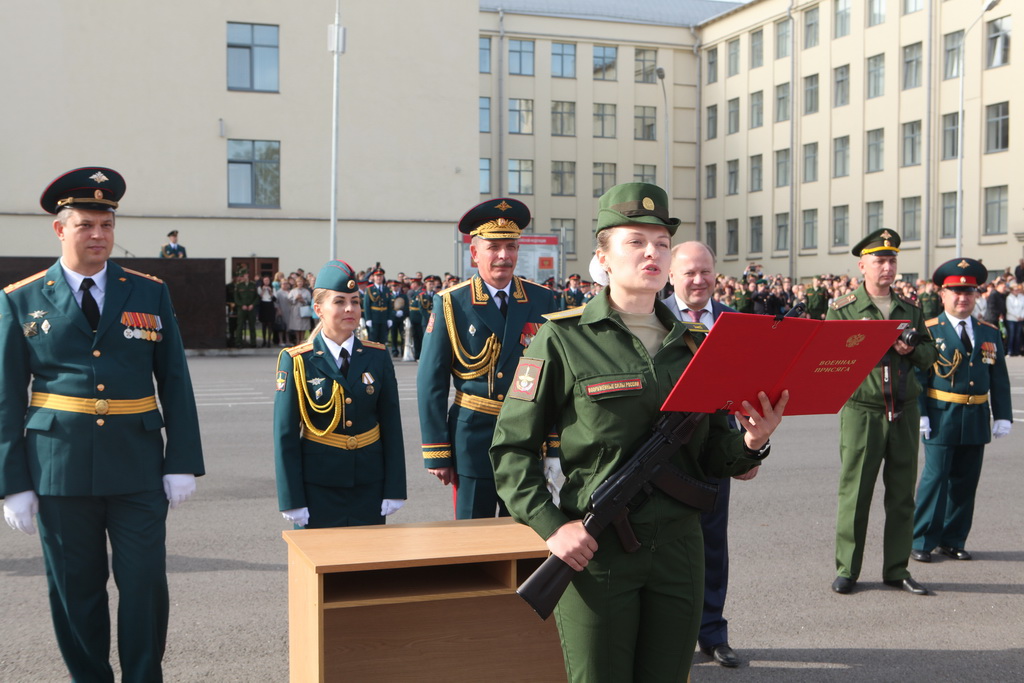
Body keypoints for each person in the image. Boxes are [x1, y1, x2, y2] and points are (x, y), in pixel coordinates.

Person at [489, 182, 786, 682]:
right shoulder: (562, 338)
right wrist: (552, 527)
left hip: (678, 549)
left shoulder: (696, 345)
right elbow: (511, 451)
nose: (653, 252)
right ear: (602, 257)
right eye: (636, 241)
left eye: (662, 243)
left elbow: (714, 455)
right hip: (598, 549)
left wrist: (753, 442)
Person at [0, 167, 204, 682]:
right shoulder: (20, 299)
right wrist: (12, 484)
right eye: (86, 224)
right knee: (74, 588)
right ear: (60, 230)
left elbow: (174, 380)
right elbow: (4, 398)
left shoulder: (147, 292)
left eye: (106, 225)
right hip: (58, 469)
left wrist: (181, 461)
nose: (98, 235)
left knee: (145, 585)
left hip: (136, 467)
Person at [417, 198, 556, 519]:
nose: (504, 256)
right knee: (471, 537)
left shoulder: (543, 299)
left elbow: (558, 376)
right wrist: (437, 452)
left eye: (511, 247)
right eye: (494, 247)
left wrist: (556, 445)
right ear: (475, 253)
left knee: (522, 532)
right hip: (473, 436)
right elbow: (431, 382)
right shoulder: (453, 302)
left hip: (526, 436)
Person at [827, 229, 937, 596]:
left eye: (892, 260)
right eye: (879, 260)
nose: (887, 267)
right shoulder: (843, 309)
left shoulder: (911, 310)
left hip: (904, 409)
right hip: (864, 410)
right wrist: (870, 343)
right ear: (862, 265)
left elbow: (929, 357)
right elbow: (828, 359)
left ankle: (896, 568)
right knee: (855, 492)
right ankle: (847, 568)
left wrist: (911, 351)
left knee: (903, 494)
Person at [663, 241, 756, 669]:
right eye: (689, 273)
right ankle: (669, 636)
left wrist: (749, 451)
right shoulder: (654, 318)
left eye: (706, 272)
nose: (698, 280)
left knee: (712, 544)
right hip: (663, 454)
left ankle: (712, 632)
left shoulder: (735, 324)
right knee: (664, 547)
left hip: (714, 451)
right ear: (670, 276)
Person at [273, 260, 406, 528]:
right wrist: (291, 498)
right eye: (340, 301)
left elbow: (391, 424)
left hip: (370, 485)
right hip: (317, 488)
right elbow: (285, 434)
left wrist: (394, 487)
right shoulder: (298, 360)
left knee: (368, 566)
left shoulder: (377, 356)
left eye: (355, 301)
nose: (350, 309)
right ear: (318, 308)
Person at [911, 258, 1012, 563]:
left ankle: (953, 539)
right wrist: (922, 413)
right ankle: (922, 540)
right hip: (942, 415)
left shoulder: (988, 332)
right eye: (955, 291)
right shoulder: (929, 330)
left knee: (966, 482)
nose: (962, 297)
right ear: (942, 294)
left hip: (976, 416)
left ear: (976, 295)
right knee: (935, 480)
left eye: (968, 292)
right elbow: (918, 375)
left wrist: (1003, 414)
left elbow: (999, 377)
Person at [362, 266, 393, 344]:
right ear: (374, 277)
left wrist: (390, 318)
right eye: (377, 276)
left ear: (383, 277)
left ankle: (382, 356)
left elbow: (389, 305)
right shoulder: (370, 289)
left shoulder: (386, 289)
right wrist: (368, 318)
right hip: (374, 317)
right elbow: (366, 305)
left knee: (383, 339)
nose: (379, 278)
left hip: (384, 317)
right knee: (373, 339)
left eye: (380, 276)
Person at [234, 270, 258, 347]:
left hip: (251, 308)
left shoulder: (253, 285)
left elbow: (257, 297)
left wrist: (252, 305)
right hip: (242, 308)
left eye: (244, 275)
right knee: (240, 326)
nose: (243, 277)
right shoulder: (239, 286)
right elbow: (236, 298)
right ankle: (238, 342)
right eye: (242, 276)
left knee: (252, 326)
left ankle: (253, 343)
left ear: (247, 275)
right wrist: (241, 305)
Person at [257, 275, 277, 348]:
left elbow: (274, 299)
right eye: (265, 280)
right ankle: (264, 340)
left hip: (270, 305)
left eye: (267, 280)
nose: (266, 282)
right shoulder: (259, 288)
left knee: (270, 324)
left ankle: (269, 341)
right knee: (264, 324)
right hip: (263, 305)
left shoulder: (272, 288)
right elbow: (259, 298)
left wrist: (270, 291)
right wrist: (263, 290)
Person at [1006, 283, 1024, 356]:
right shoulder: (1009, 298)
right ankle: (1010, 351)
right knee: (1011, 335)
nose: (1016, 291)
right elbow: (1009, 309)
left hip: (1020, 319)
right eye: (1015, 289)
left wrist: (1022, 316)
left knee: (1018, 335)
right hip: (1011, 319)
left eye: (1017, 289)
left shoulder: (1022, 297)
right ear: (1011, 290)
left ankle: (1017, 351)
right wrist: (1017, 316)